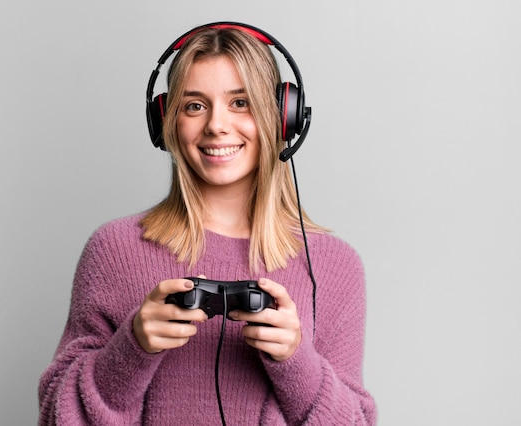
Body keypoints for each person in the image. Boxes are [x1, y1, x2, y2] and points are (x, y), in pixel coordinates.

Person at [38, 22, 377, 425]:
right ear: (167, 122)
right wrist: (133, 347)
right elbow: (57, 416)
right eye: (194, 105)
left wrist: (294, 361)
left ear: (283, 116)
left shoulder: (335, 267)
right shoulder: (114, 250)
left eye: (241, 103)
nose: (216, 125)